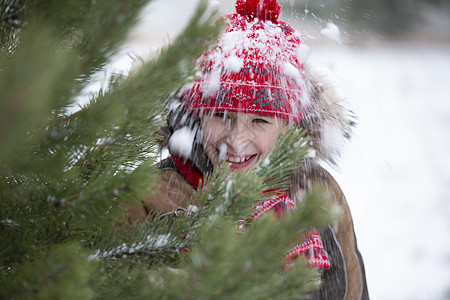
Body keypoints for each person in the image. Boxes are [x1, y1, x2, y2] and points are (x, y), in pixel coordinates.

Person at [127, 0, 369, 298]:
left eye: (259, 120)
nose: (236, 140)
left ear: (287, 127)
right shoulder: (152, 195)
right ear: (196, 115)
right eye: (220, 115)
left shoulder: (317, 192)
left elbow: (349, 291)